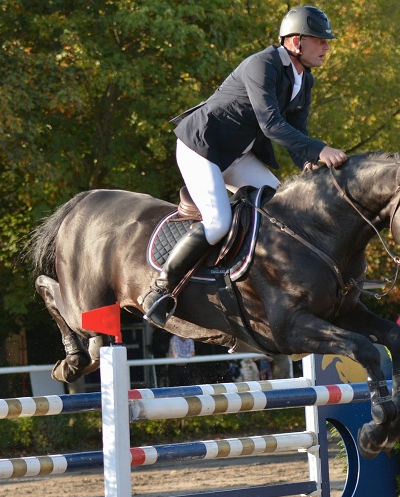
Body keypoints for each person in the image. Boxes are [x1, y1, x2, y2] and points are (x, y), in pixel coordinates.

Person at [142, 6, 348, 327]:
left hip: (239, 154)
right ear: (295, 42)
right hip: (203, 148)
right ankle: (160, 289)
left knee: (284, 213)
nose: (326, 47)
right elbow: (271, 124)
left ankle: (264, 288)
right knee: (218, 223)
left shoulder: (304, 80)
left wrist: (308, 161)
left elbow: (298, 132)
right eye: (319, 40)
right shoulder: (261, 64)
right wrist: (321, 150)